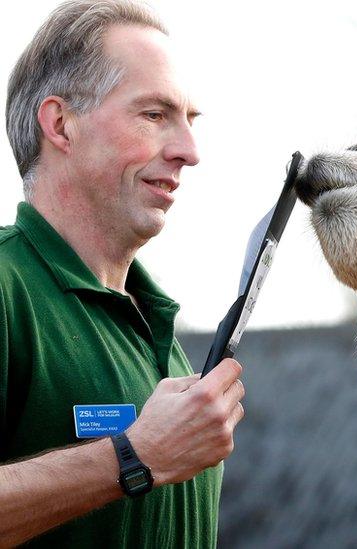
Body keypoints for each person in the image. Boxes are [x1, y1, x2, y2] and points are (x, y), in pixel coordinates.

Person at [0, 1, 245, 546]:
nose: (189, 151)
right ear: (61, 125)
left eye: (190, 120)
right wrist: (136, 456)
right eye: (155, 115)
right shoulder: (4, 287)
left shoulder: (155, 327)